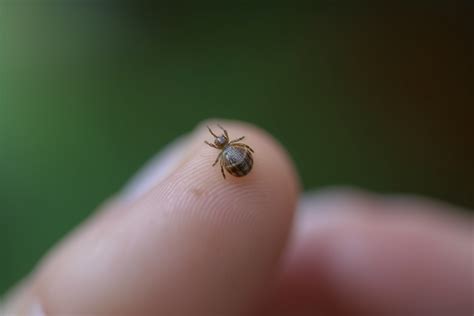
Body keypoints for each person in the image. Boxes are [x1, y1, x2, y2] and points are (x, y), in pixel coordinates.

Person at [1, 121, 472, 315]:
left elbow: (238, 164)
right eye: (224, 149)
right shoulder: (230, 158)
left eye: (224, 148)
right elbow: (239, 162)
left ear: (225, 151)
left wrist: (232, 169)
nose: (225, 150)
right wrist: (234, 167)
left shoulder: (228, 159)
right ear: (226, 153)